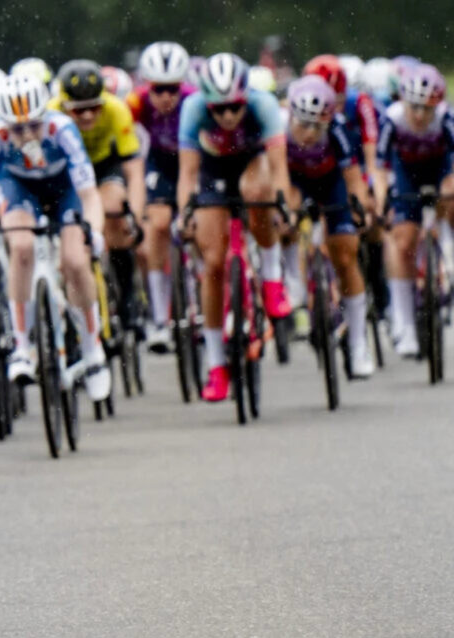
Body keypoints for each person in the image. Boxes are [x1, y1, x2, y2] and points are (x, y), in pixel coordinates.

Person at [0, 74, 112, 403]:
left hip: (64, 189)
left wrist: (93, 233)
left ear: (45, 118)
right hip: (22, 189)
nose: (25, 136)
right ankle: (22, 348)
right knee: (21, 246)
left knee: (76, 261)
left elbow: (90, 195)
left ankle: (93, 350)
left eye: (33, 127)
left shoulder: (62, 129)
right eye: (17, 129)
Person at [176, 53, 291, 402]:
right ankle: (216, 364)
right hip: (213, 172)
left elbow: (279, 168)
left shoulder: (265, 105)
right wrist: (186, 213)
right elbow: (188, 175)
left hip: (251, 163)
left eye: (235, 107)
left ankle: (271, 278)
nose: (227, 115)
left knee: (258, 192)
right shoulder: (193, 108)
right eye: (219, 109)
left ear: (247, 98)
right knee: (213, 265)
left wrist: (283, 206)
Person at [284, 75, 375, 377]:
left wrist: (360, 211)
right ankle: (294, 284)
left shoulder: (338, 131)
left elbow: (353, 180)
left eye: (317, 127)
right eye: (303, 124)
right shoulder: (280, 130)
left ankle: (359, 342)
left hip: (330, 183)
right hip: (296, 181)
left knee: (346, 255)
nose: (309, 133)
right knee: (286, 218)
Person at [51, 60, 146, 342]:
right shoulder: (52, 113)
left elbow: (135, 173)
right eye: (80, 111)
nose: (89, 116)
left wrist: (136, 218)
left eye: (95, 107)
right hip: (66, 171)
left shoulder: (117, 109)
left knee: (114, 209)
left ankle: (127, 292)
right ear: (65, 105)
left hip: (104, 166)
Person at [372, 64, 454, 357]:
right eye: (414, 107)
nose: (419, 116)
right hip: (407, 173)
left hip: (441, 168)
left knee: (450, 198)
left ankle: (447, 252)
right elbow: (379, 168)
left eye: (426, 109)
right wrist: (382, 200)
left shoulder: (446, 119)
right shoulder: (392, 120)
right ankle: (404, 323)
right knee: (403, 239)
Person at [128, 41, 195, 350]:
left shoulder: (195, 101)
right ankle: (159, 317)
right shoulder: (135, 102)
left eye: (172, 89)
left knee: (200, 227)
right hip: (160, 163)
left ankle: (199, 297)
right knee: (157, 225)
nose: (166, 97)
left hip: (193, 163)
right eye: (158, 89)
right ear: (147, 86)